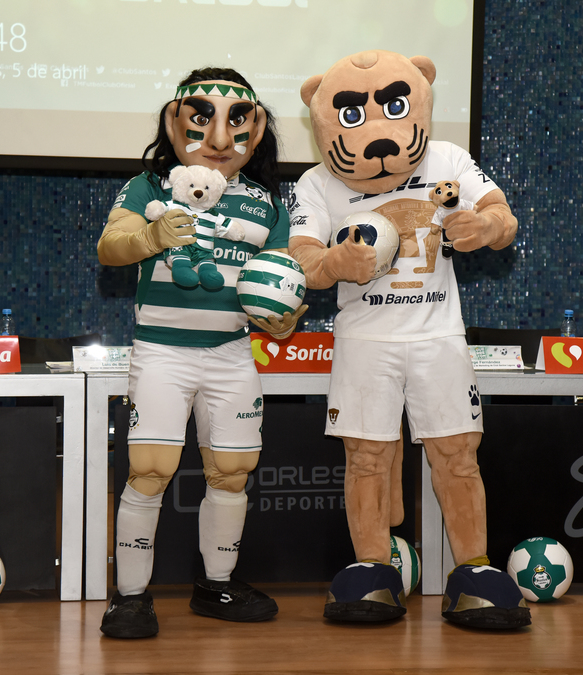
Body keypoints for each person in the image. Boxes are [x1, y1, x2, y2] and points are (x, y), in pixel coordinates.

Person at [288, 50, 529, 629]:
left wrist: (485, 226)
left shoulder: (447, 158)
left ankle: (473, 570)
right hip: (364, 342)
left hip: (437, 335)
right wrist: (333, 263)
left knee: (457, 454)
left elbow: (503, 217)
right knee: (365, 457)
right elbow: (302, 260)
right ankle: (373, 569)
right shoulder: (316, 182)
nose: (376, 135)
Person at [95, 67, 304, 639]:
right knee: (149, 470)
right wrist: (152, 238)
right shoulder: (149, 186)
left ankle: (217, 586)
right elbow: (110, 247)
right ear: (175, 121)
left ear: (254, 131)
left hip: (232, 354)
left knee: (232, 472)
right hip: (162, 352)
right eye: (202, 118)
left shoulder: (268, 205)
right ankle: (130, 597)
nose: (219, 137)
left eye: (237, 122)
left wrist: (284, 318)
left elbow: (281, 283)